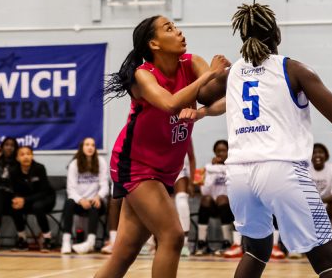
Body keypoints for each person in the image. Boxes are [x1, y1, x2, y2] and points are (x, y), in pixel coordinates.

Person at [200, 0, 332, 278]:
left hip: (239, 175)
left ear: (243, 38)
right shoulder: (294, 69)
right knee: (328, 260)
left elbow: (202, 95)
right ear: (277, 34)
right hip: (283, 170)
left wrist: (216, 72)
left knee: (257, 249)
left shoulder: (232, 74)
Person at [94, 15, 230, 278]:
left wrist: (221, 84)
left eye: (177, 26)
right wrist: (211, 75)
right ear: (154, 43)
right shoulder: (142, 76)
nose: (179, 32)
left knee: (125, 253)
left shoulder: (192, 63)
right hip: (135, 165)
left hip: (165, 170)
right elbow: (169, 103)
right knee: (173, 236)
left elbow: (224, 98)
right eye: (170, 28)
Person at [60, 137, 109, 254]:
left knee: (95, 205)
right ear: (82, 148)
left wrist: (98, 197)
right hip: (79, 202)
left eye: (92, 145)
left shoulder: (101, 161)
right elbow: (70, 189)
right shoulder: (74, 164)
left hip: (95, 202)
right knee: (69, 202)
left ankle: (90, 242)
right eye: (87, 145)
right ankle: (66, 241)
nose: (90, 147)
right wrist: (81, 200)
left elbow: (105, 186)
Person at [11, 146, 56, 252]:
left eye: (28, 154)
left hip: (46, 198)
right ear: (17, 158)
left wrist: (25, 200)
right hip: (27, 199)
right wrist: (16, 200)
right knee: (14, 207)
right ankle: (22, 239)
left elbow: (44, 191)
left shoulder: (39, 168)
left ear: (32, 156)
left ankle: (47, 239)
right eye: (22, 154)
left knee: (38, 206)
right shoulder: (14, 171)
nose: (26, 156)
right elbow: (14, 190)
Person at [194, 139, 234, 257]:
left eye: (223, 151)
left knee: (222, 198)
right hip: (214, 207)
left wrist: (220, 168)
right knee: (206, 199)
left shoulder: (233, 167)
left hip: (230, 207)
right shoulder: (210, 169)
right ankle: (202, 243)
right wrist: (212, 172)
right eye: (218, 151)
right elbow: (205, 191)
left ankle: (227, 242)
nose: (220, 154)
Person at [310, 143, 332, 254]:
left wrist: (319, 202)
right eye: (314, 153)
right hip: (308, 206)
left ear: (326, 155)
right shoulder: (304, 169)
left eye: (320, 152)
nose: (317, 155)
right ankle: (297, 249)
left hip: (327, 205)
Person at [173, 140, 196, 257]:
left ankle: (185, 243)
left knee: (182, 200)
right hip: (159, 168)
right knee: (153, 203)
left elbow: (191, 158)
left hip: (179, 169)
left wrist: (192, 182)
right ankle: (150, 243)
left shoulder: (183, 125)